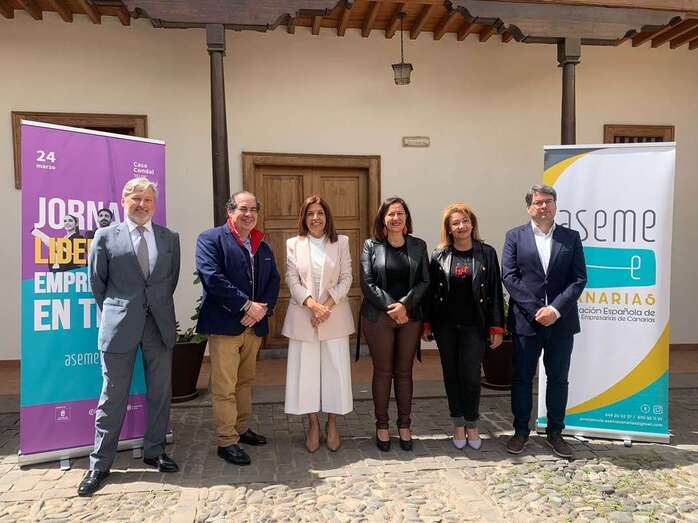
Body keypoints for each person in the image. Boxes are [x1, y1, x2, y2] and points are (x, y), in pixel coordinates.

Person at [78, 177, 181, 497]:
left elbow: (169, 281)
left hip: (159, 326)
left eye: (148, 200)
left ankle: (154, 450)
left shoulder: (169, 238)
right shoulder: (105, 236)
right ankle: (100, 463)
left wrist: (151, 306)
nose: (142, 205)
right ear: (123, 201)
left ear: (155, 204)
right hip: (120, 326)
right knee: (112, 396)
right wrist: (120, 310)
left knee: (160, 393)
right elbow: (97, 283)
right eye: (136, 199)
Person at [195, 191, 280, 466]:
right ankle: (226, 441)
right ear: (229, 211)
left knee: (245, 382)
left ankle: (241, 429)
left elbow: (274, 281)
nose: (249, 214)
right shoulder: (211, 239)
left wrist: (261, 309)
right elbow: (212, 277)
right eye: (243, 208)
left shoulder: (262, 245)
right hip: (225, 326)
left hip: (253, 326)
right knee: (225, 386)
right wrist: (246, 306)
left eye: (253, 209)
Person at [501, 184, 587, 458]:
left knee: (558, 379)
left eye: (548, 201)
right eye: (538, 202)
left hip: (561, 322)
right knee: (522, 379)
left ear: (555, 205)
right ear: (529, 207)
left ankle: (555, 432)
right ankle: (520, 432)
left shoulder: (570, 238)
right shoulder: (515, 237)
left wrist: (555, 310)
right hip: (527, 321)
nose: (544, 206)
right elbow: (509, 276)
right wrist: (538, 309)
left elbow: (579, 278)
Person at [423, 204, 504, 450]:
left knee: (470, 376)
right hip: (446, 326)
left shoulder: (487, 253)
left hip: (474, 326)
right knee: (451, 375)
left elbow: (495, 291)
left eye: (465, 221)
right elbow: (430, 293)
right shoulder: (439, 255)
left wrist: (497, 327)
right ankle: (458, 424)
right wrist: (427, 324)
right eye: (456, 223)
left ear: (472, 223)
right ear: (448, 228)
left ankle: (472, 424)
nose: (461, 226)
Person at [282, 195, 354, 452]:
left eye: (320, 213)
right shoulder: (293, 244)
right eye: (310, 213)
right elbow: (291, 279)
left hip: (334, 316)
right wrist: (312, 304)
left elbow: (347, 278)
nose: (315, 218)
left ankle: (332, 423)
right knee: (306, 374)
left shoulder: (341, 242)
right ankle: (313, 423)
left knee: (335, 372)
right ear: (304, 217)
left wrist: (326, 307)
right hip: (304, 316)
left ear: (327, 216)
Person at [359, 196, 429, 452]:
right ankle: (381, 425)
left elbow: (425, 281)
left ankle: (405, 425)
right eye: (391, 214)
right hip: (379, 317)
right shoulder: (370, 246)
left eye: (400, 213)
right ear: (383, 219)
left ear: (406, 218)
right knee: (382, 372)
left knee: (404, 372)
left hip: (409, 317)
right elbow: (367, 282)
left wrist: (404, 306)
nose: (396, 218)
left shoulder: (418, 246)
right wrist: (393, 307)